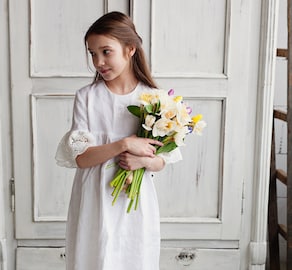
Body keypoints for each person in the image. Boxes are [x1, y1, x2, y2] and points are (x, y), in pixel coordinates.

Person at [55, 11, 182, 270]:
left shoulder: (154, 99)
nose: (98, 61)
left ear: (130, 49)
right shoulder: (87, 98)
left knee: (133, 256)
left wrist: (142, 161)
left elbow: (162, 161)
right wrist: (124, 144)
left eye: (106, 51)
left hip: (134, 201)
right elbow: (81, 158)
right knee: (93, 257)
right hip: (93, 197)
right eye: (92, 53)